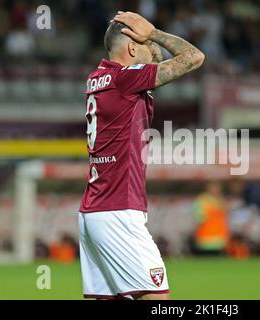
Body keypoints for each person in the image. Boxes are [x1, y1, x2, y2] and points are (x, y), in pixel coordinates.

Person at [78, 11, 204, 300]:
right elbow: (194, 58)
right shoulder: (125, 79)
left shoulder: (97, 78)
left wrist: (146, 39)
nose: (156, 52)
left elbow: (157, 64)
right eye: (148, 45)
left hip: (94, 212)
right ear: (133, 48)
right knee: (158, 300)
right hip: (118, 212)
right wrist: (156, 32)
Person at [230, 179, 260, 255]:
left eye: (234, 186)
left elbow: (254, 207)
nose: (234, 189)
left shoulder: (252, 190)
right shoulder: (248, 191)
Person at [192, 181, 229, 256]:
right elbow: (199, 218)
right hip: (205, 240)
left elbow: (225, 217)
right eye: (214, 187)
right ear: (208, 188)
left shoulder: (221, 200)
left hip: (220, 240)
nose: (216, 189)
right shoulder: (202, 200)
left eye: (218, 187)